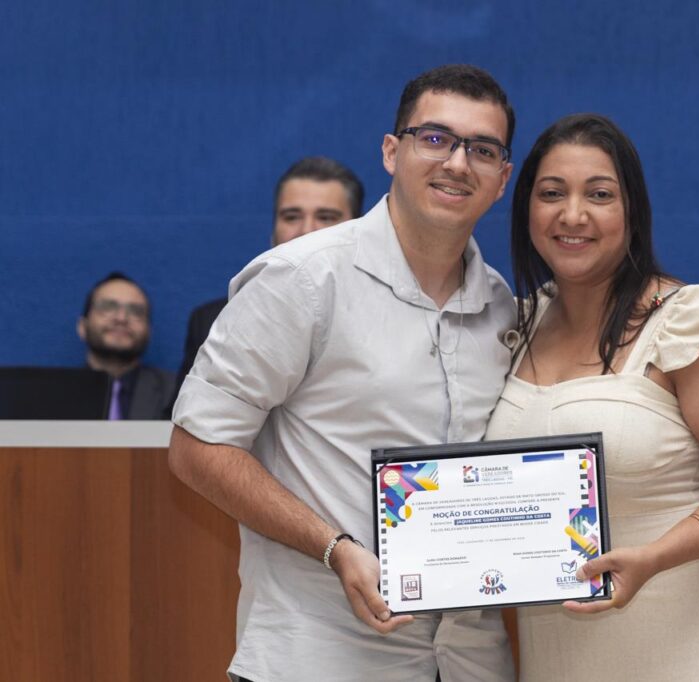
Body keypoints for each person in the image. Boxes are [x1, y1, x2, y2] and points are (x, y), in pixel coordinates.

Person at [168, 64, 517, 682]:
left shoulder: (501, 308)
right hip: (318, 657)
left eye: (482, 149)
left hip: (467, 664)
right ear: (392, 151)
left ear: (502, 179)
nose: (458, 163)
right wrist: (336, 548)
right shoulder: (301, 278)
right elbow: (197, 448)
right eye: (435, 138)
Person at [485, 113, 699, 679]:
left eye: (599, 194)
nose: (573, 214)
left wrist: (654, 558)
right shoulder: (514, 329)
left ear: (632, 212)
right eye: (552, 193)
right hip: (562, 659)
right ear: (527, 207)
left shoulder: (689, 324)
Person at [173, 156, 365, 397]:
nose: (306, 231)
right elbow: (183, 422)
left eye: (326, 217)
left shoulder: (383, 315)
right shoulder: (213, 320)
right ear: (272, 231)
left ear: (357, 230)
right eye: (291, 217)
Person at [78, 271, 174, 419]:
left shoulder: (176, 393)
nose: (121, 318)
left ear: (149, 331)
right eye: (108, 307)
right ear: (82, 326)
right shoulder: (55, 393)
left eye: (135, 311)